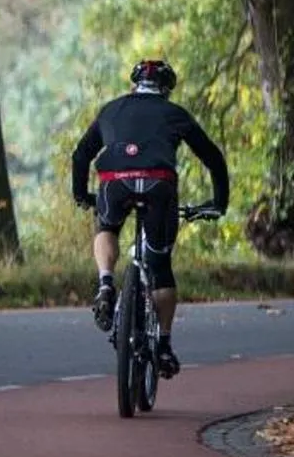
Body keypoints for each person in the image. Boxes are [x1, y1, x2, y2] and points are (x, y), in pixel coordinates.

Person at [68, 58, 229, 378]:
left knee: (107, 225)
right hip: (159, 183)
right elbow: (213, 158)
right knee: (160, 267)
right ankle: (165, 345)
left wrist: (81, 195)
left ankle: (104, 283)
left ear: (133, 85)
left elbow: (81, 154)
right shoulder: (175, 113)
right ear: (167, 90)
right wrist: (218, 203)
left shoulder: (111, 109)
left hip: (115, 181)